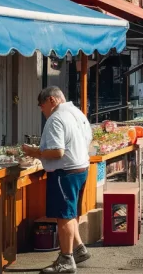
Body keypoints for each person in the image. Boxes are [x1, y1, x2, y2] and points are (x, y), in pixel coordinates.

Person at [21, 87, 92, 273]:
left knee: (64, 216)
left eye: (41, 105)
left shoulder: (56, 118)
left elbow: (57, 151)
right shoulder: (76, 112)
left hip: (65, 172)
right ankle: (78, 248)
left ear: (51, 100)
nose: (42, 110)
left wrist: (34, 152)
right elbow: (88, 138)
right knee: (70, 213)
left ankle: (67, 259)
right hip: (81, 167)